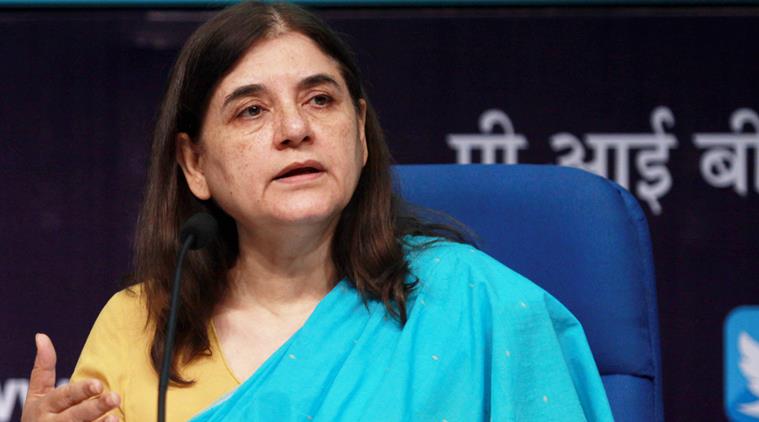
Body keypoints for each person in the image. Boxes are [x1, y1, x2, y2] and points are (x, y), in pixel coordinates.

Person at [22, 2, 614, 421]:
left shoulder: (482, 304)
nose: (295, 128)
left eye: (320, 99)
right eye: (251, 111)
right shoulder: (140, 323)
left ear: (359, 131)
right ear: (194, 163)